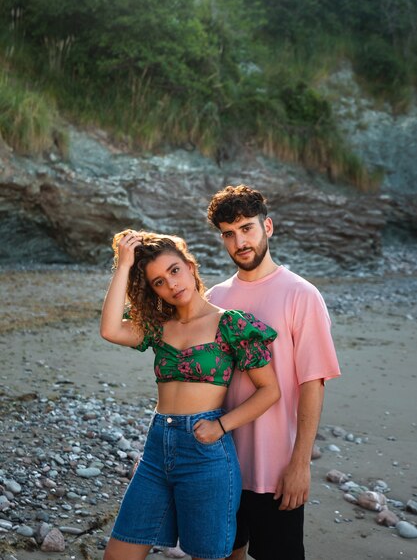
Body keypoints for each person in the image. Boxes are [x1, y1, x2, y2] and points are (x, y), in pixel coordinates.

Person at [100, 229, 280, 560]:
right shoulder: (157, 326)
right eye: (158, 282)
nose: (171, 285)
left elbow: (269, 390)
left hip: (206, 453)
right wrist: (123, 265)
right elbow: (109, 329)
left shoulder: (230, 324)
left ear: (190, 267)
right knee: (117, 554)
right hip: (157, 450)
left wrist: (221, 426)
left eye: (174, 271)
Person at [206, 185, 341, 560]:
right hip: (221, 463)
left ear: (268, 226)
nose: (240, 242)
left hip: (275, 470)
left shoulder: (302, 294)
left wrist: (300, 465)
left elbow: (312, 384)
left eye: (247, 228)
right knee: (224, 553)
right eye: (229, 234)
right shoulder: (214, 298)